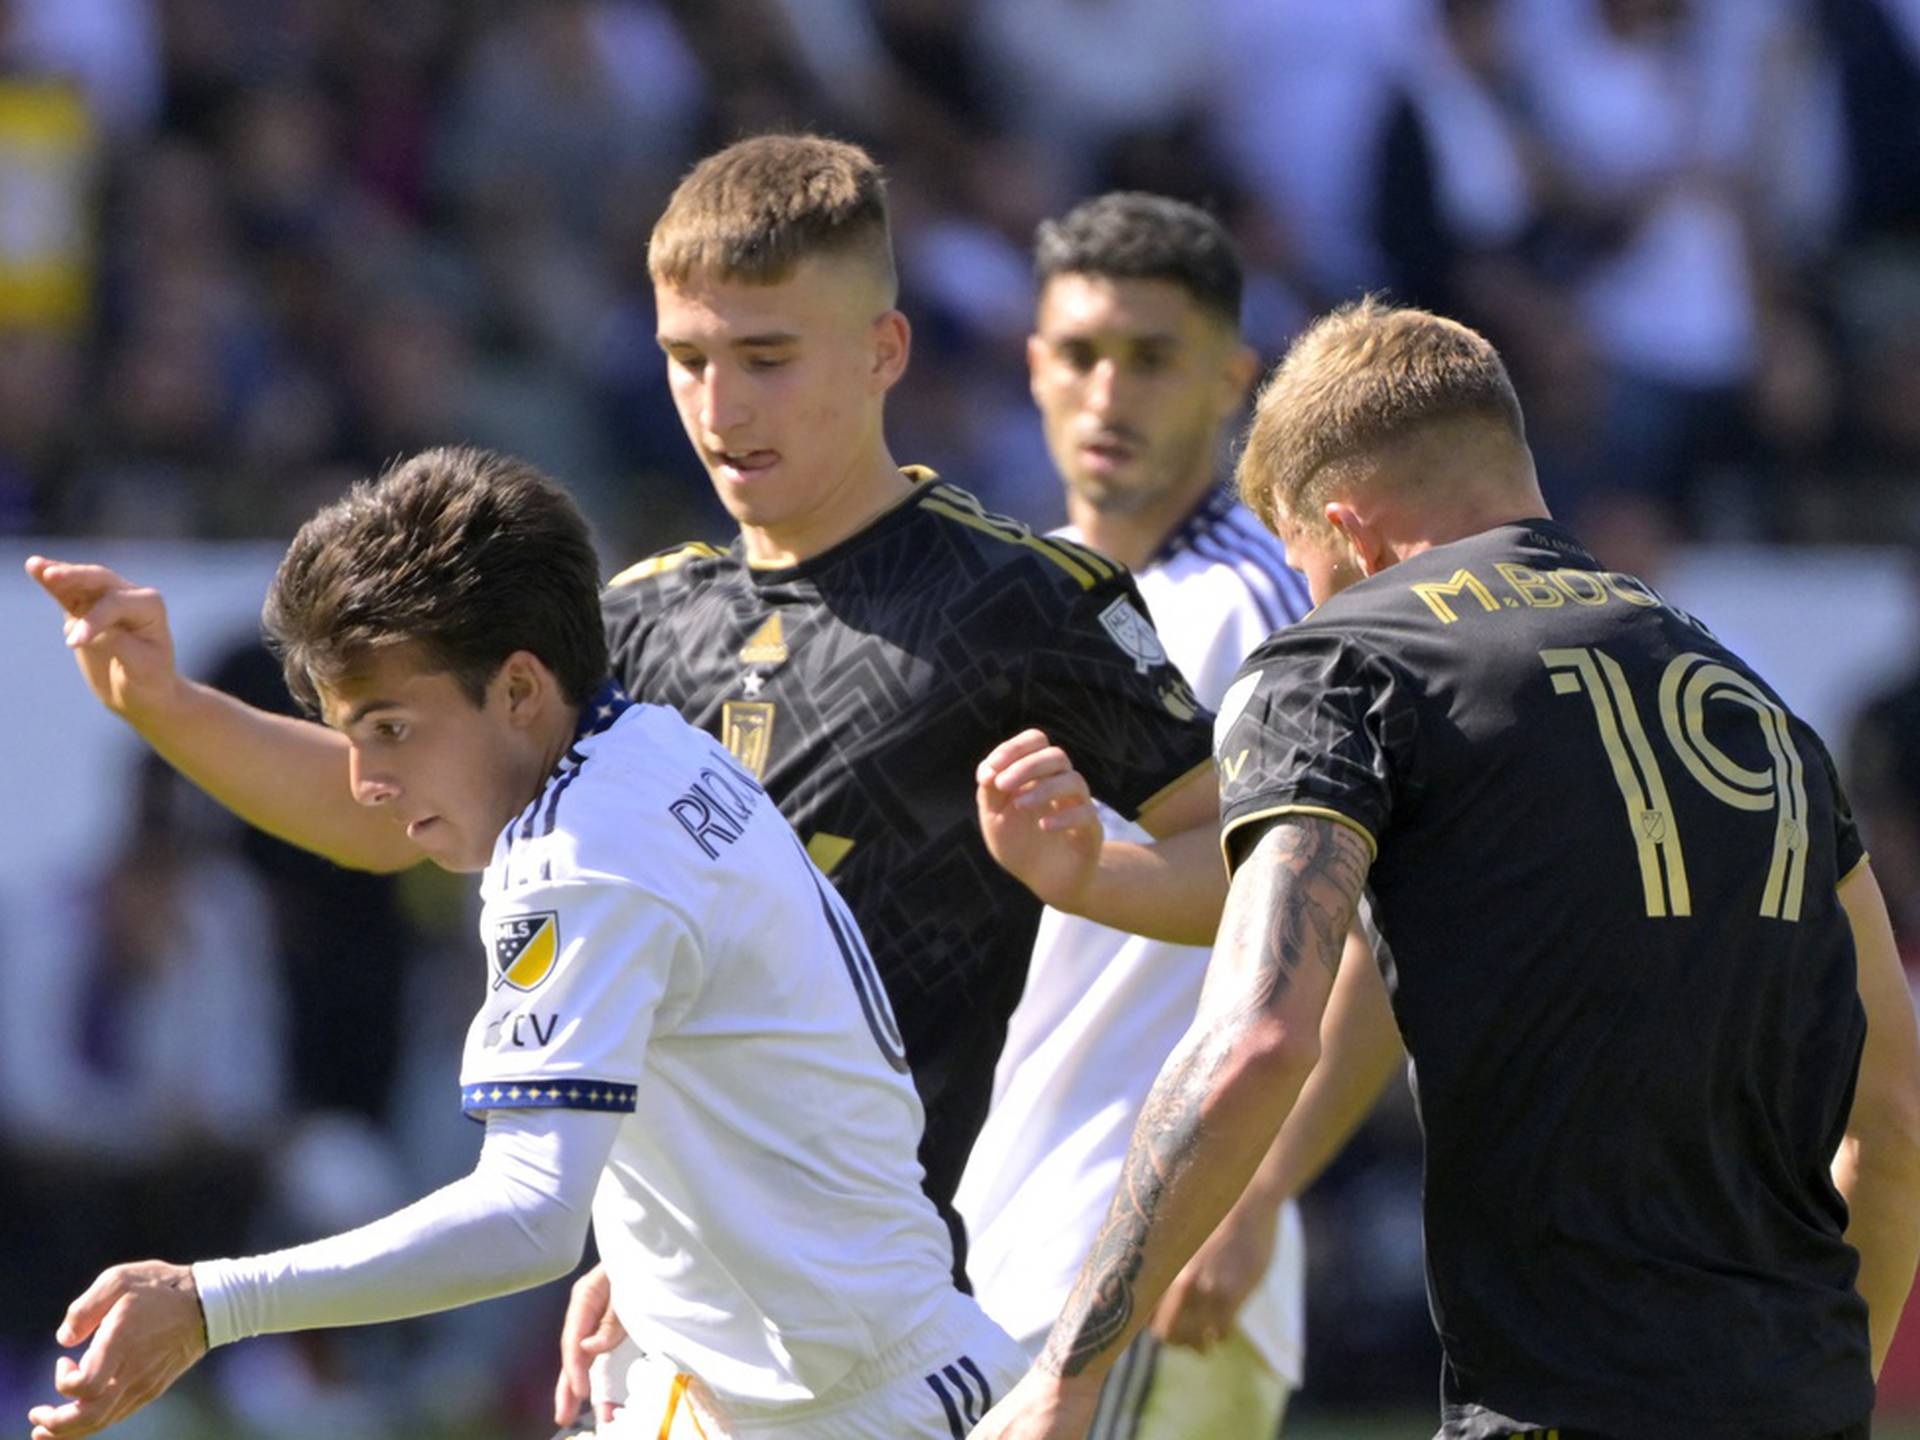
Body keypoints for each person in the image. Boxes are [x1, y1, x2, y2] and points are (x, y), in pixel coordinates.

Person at [24, 134, 1224, 1428]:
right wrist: (169, 705)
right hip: (685, 1334)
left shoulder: (1024, 599)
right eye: (687, 359)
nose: (721, 407)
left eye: (768, 358)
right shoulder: (648, 619)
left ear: (884, 351)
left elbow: (1257, 880)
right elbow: (402, 812)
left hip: (898, 1312)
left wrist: (1097, 873)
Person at [971, 298, 1920, 1440]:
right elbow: (1897, 1114)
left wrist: (1067, 1372)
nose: (1315, 600)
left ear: (1350, 534)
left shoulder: (1347, 654)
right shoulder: (1755, 705)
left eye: (1307, 568)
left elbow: (1258, 1038)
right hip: (1800, 1401)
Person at [26, 447, 1027, 1440]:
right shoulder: (633, 746)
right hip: (744, 1386)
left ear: (515, 689)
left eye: (388, 730)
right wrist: (655, 1262)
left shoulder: (582, 854)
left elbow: (528, 1217)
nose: (367, 778)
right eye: (351, 734)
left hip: (855, 1412)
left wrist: (210, 1305)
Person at [953, 193, 1402, 1440]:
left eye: (1153, 358)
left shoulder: (1264, 610)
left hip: (1146, 1269)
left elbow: (1368, 929)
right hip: (994, 1250)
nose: (1111, 392)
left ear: (1231, 381)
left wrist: (1255, 1190)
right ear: (1035, 367)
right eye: (1082, 354)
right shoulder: (1025, 593)